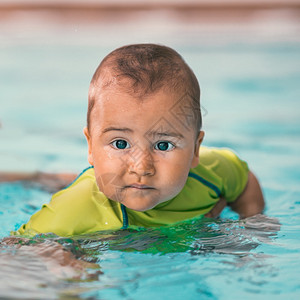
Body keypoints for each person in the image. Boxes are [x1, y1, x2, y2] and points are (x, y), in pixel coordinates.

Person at [7, 44, 264, 237]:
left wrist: (249, 224)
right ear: (90, 145)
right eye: (120, 144)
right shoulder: (76, 208)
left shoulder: (211, 172)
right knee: (56, 183)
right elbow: (15, 253)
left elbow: (244, 180)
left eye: (163, 145)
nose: (141, 167)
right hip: (89, 192)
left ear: (195, 150)